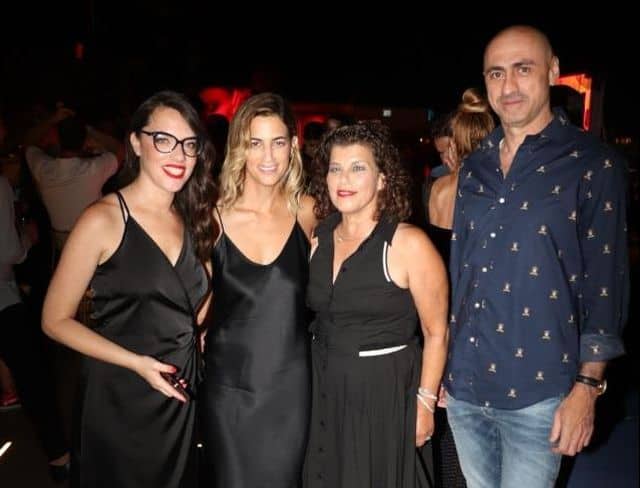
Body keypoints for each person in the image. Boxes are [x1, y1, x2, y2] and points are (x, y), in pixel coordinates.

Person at [446, 25, 629, 488]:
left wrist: (588, 388)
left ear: (552, 71)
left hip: (541, 392)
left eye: (523, 69)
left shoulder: (593, 163)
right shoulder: (474, 167)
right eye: (496, 73)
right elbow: (461, 274)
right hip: (466, 388)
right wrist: (446, 367)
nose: (508, 85)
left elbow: (605, 286)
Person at [41, 90, 216, 487]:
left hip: (179, 391)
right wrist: (137, 363)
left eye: (189, 144)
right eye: (164, 140)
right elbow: (54, 320)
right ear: (136, 142)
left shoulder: (194, 217)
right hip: (121, 394)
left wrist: (198, 331)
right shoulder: (103, 219)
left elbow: (200, 296)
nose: (179, 155)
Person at [304, 120, 449, 487]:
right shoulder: (318, 236)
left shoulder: (407, 243)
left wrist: (425, 403)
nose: (343, 179)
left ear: (383, 179)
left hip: (382, 393)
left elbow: (436, 332)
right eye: (335, 168)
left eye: (358, 168)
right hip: (324, 385)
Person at [200, 92, 316, 487]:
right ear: (239, 148)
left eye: (278, 142)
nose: (268, 156)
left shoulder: (308, 212)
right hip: (228, 388)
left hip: (290, 388)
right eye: (255, 143)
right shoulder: (212, 216)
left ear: (293, 145)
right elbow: (197, 304)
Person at [426, 88, 495, 488]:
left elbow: (440, 271)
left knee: (453, 437)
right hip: (490, 328)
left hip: (446, 324)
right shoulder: (506, 191)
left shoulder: (442, 190)